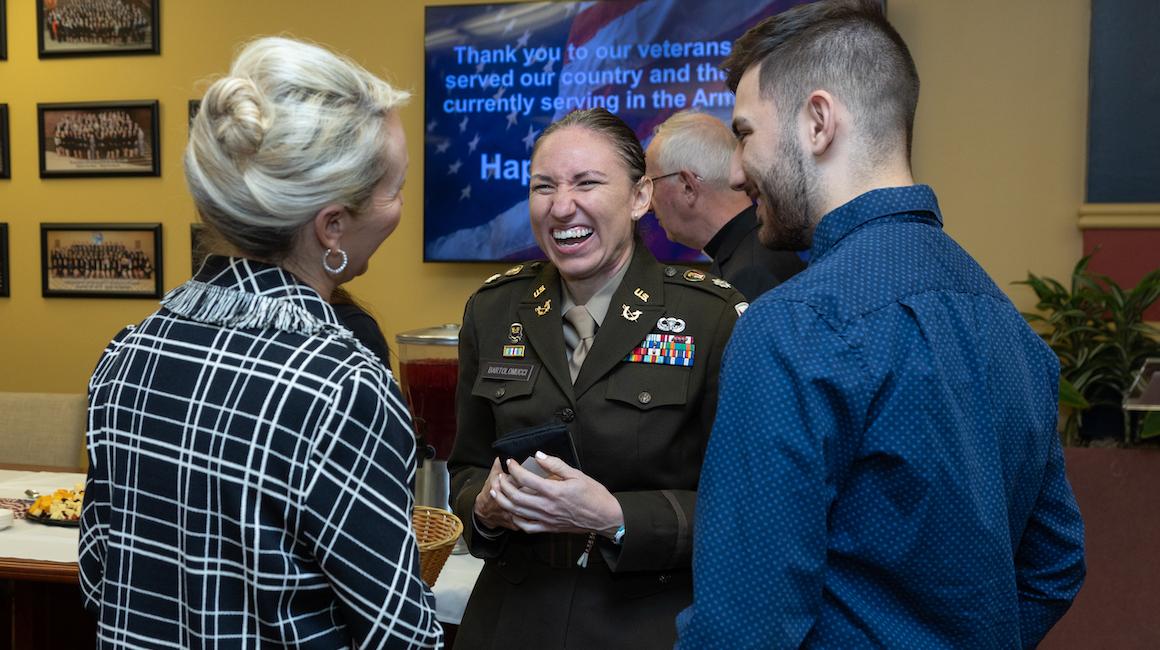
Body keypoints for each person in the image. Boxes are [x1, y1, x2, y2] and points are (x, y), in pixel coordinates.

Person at [676, 1, 1086, 647]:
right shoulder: (1012, 329)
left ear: (818, 121)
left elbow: (744, 624)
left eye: (746, 133)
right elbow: (1054, 566)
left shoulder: (791, 327)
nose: (734, 169)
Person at [79, 36, 442, 648]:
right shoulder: (340, 383)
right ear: (332, 226)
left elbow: (98, 574)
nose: (400, 206)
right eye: (396, 188)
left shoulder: (128, 353)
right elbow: (396, 632)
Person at [448, 108, 746, 649]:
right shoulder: (492, 310)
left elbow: (743, 507)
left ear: (639, 198)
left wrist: (616, 517)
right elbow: (466, 465)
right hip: (511, 620)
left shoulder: (711, 318)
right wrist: (485, 508)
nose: (562, 207)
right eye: (544, 187)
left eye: (587, 183)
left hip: (646, 621)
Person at [646, 110, 805, 299]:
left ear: (688, 187)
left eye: (652, 183)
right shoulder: (753, 253)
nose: (648, 206)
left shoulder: (749, 276)